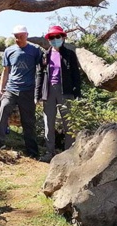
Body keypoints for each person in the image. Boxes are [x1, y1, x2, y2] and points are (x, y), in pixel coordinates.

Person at [0, 25, 42, 158]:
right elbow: (5, 71)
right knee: (3, 112)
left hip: (28, 91)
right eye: (15, 36)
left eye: (20, 36)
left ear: (26, 35)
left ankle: (32, 152)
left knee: (28, 121)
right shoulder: (9, 51)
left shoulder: (35, 50)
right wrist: (1, 88)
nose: (18, 38)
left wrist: (39, 91)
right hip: (11, 89)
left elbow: (41, 70)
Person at [35, 25, 82, 162]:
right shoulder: (45, 55)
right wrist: (37, 95)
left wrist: (77, 93)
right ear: (48, 39)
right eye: (52, 37)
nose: (55, 39)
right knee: (48, 124)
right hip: (48, 91)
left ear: (63, 37)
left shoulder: (70, 54)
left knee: (69, 124)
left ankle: (69, 154)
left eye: (57, 37)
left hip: (65, 91)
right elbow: (39, 75)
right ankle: (49, 153)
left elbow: (76, 75)